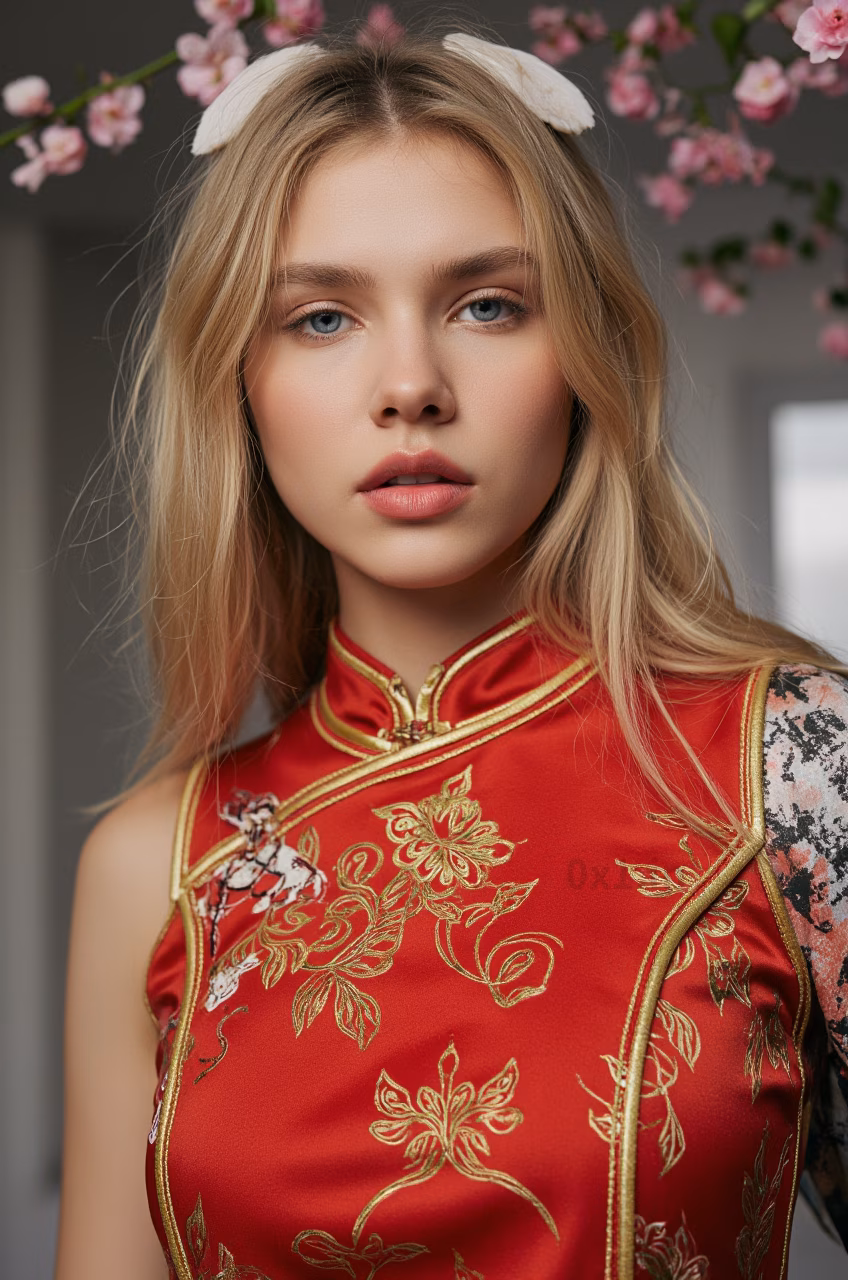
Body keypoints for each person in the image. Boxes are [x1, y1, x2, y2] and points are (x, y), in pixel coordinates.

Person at [54, 30, 848, 1280]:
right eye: (321, 317)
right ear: (238, 383)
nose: (410, 383)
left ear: (582, 354)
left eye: (487, 304)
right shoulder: (154, 857)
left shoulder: (787, 762)